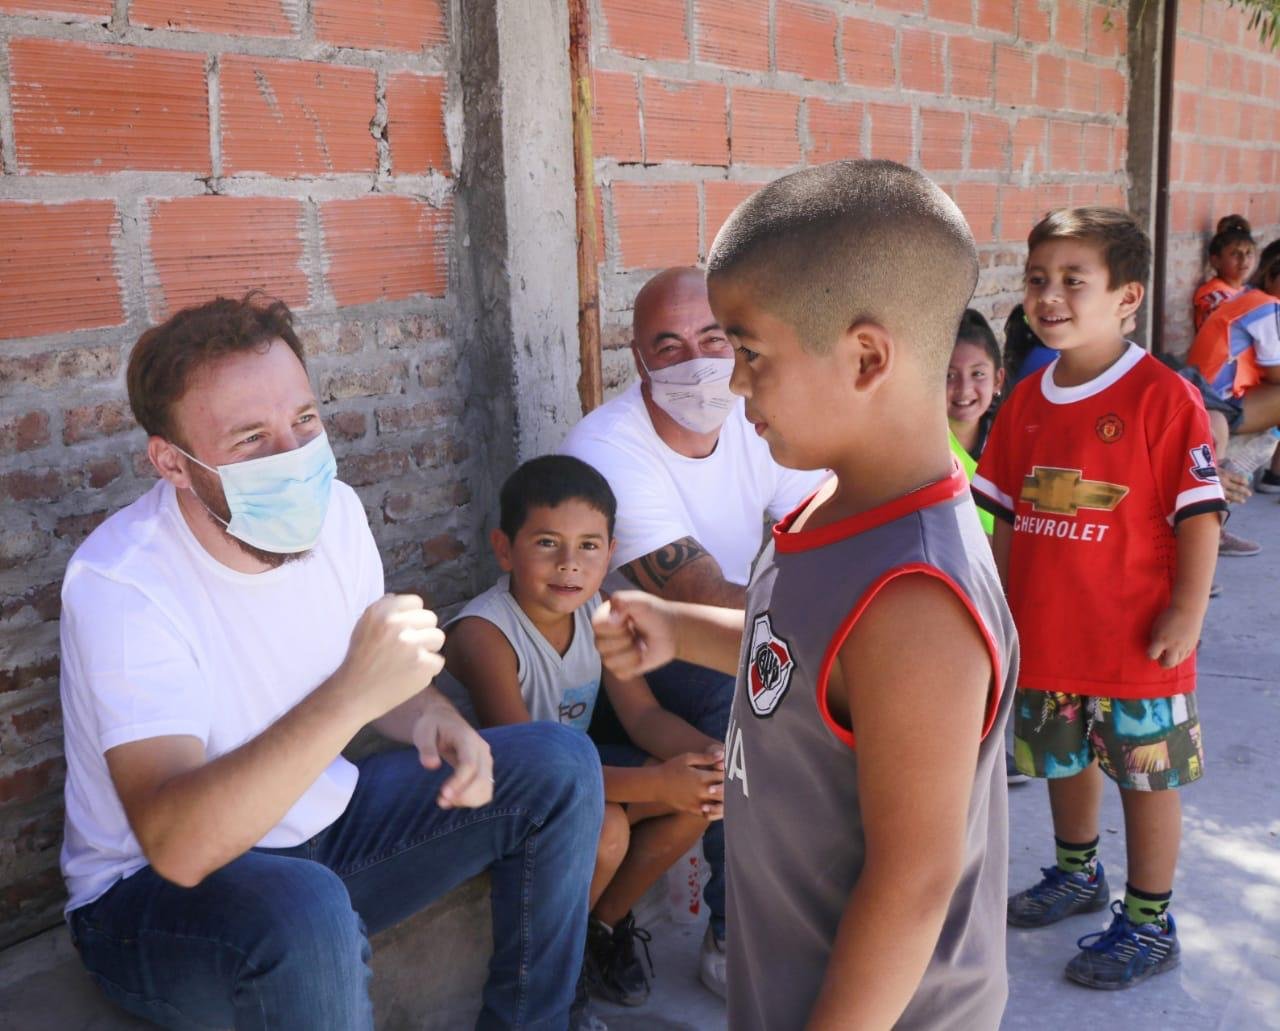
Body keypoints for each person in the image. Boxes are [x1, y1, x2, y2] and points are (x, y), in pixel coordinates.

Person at [58, 295, 604, 1030]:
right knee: (304, 908)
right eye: (252, 438)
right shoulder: (122, 585)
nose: (294, 457)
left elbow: (382, 684)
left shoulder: (334, 512)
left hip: (320, 836)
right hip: (153, 899)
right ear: (172, 463)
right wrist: (352, 694)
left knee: (558, 764)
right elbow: (179, 844)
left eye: (305, 420)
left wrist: (439, 722)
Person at [594, 160, 1019, 1029]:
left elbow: (913, 880)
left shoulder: (915, 598)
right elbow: (796, 654)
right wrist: (681, 628)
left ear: (865, 356)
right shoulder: (833, 501)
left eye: (748, 352)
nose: (734, 383)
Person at [974, 208, 1225, 990]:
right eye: (1037, 279)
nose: (1049, 296)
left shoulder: (1163, 396)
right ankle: (1077, 873)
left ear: (1126, 297)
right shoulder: (1024, 399)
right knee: (1062, 757)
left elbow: (1200, 513)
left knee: (1147, 779)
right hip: (1047, 635)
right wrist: (992, 602)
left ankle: (1150, 922)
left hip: (1137, 642)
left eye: (1072, 281)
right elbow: (1006, 515)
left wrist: (1187, 610)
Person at [560, 266, 824, 997]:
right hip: (638, 657)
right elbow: (696, 596)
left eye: (711, 337)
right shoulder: (610, 447)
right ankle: (735, 933)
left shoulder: (754, 413)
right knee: (750, 693)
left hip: (735, 628)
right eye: (668, 346)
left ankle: (810, 906)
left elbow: (832, 515)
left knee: (811, 683)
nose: (697, 360)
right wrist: (829, 623)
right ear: (637, 359)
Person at [436, 455, 724, 1010]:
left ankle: (599, 932)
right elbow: (525, 769)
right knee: (608, 827)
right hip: (497, 799)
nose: (570, 564)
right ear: (504, 549)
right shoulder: (483, 634)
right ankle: (560, 976)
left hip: (573, 781)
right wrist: (658, 783)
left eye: (589, 546)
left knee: (701, 796)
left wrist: (709, 757)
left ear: (610, 553)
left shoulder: (601, 614)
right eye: (547, 543)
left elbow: (641, 716)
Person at [1188, 238, 1280, 493]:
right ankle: (1271, 473)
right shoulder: (1267, 306)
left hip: (1207, 394)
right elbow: (1276, 374)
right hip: (1213, 401)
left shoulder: (1249, 297)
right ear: (1272, 276)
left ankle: (1274, 475)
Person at [1192, 215, 1255, 331]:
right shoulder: (1214, 296)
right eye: (1235, 254)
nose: (1244, 260)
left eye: (1248, 253)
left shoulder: (1247, 290)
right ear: (1215, 261)